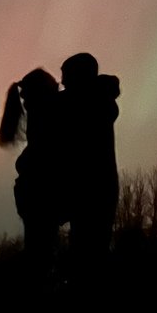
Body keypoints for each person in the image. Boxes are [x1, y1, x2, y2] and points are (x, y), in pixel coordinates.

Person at [0, 68, 63, 264]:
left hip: (32, 195)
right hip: (40, 195)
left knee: (37, 254)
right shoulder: (46, 113)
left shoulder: (39, 111)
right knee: (40, 255)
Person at [58, 53, 120, 267]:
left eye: (66, 76)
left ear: (79, 76)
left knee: (88, 255)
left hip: (92, 190)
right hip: (96, 189)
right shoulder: (97, 101)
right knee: (89, 253)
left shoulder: (90, 103)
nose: (62, 82)